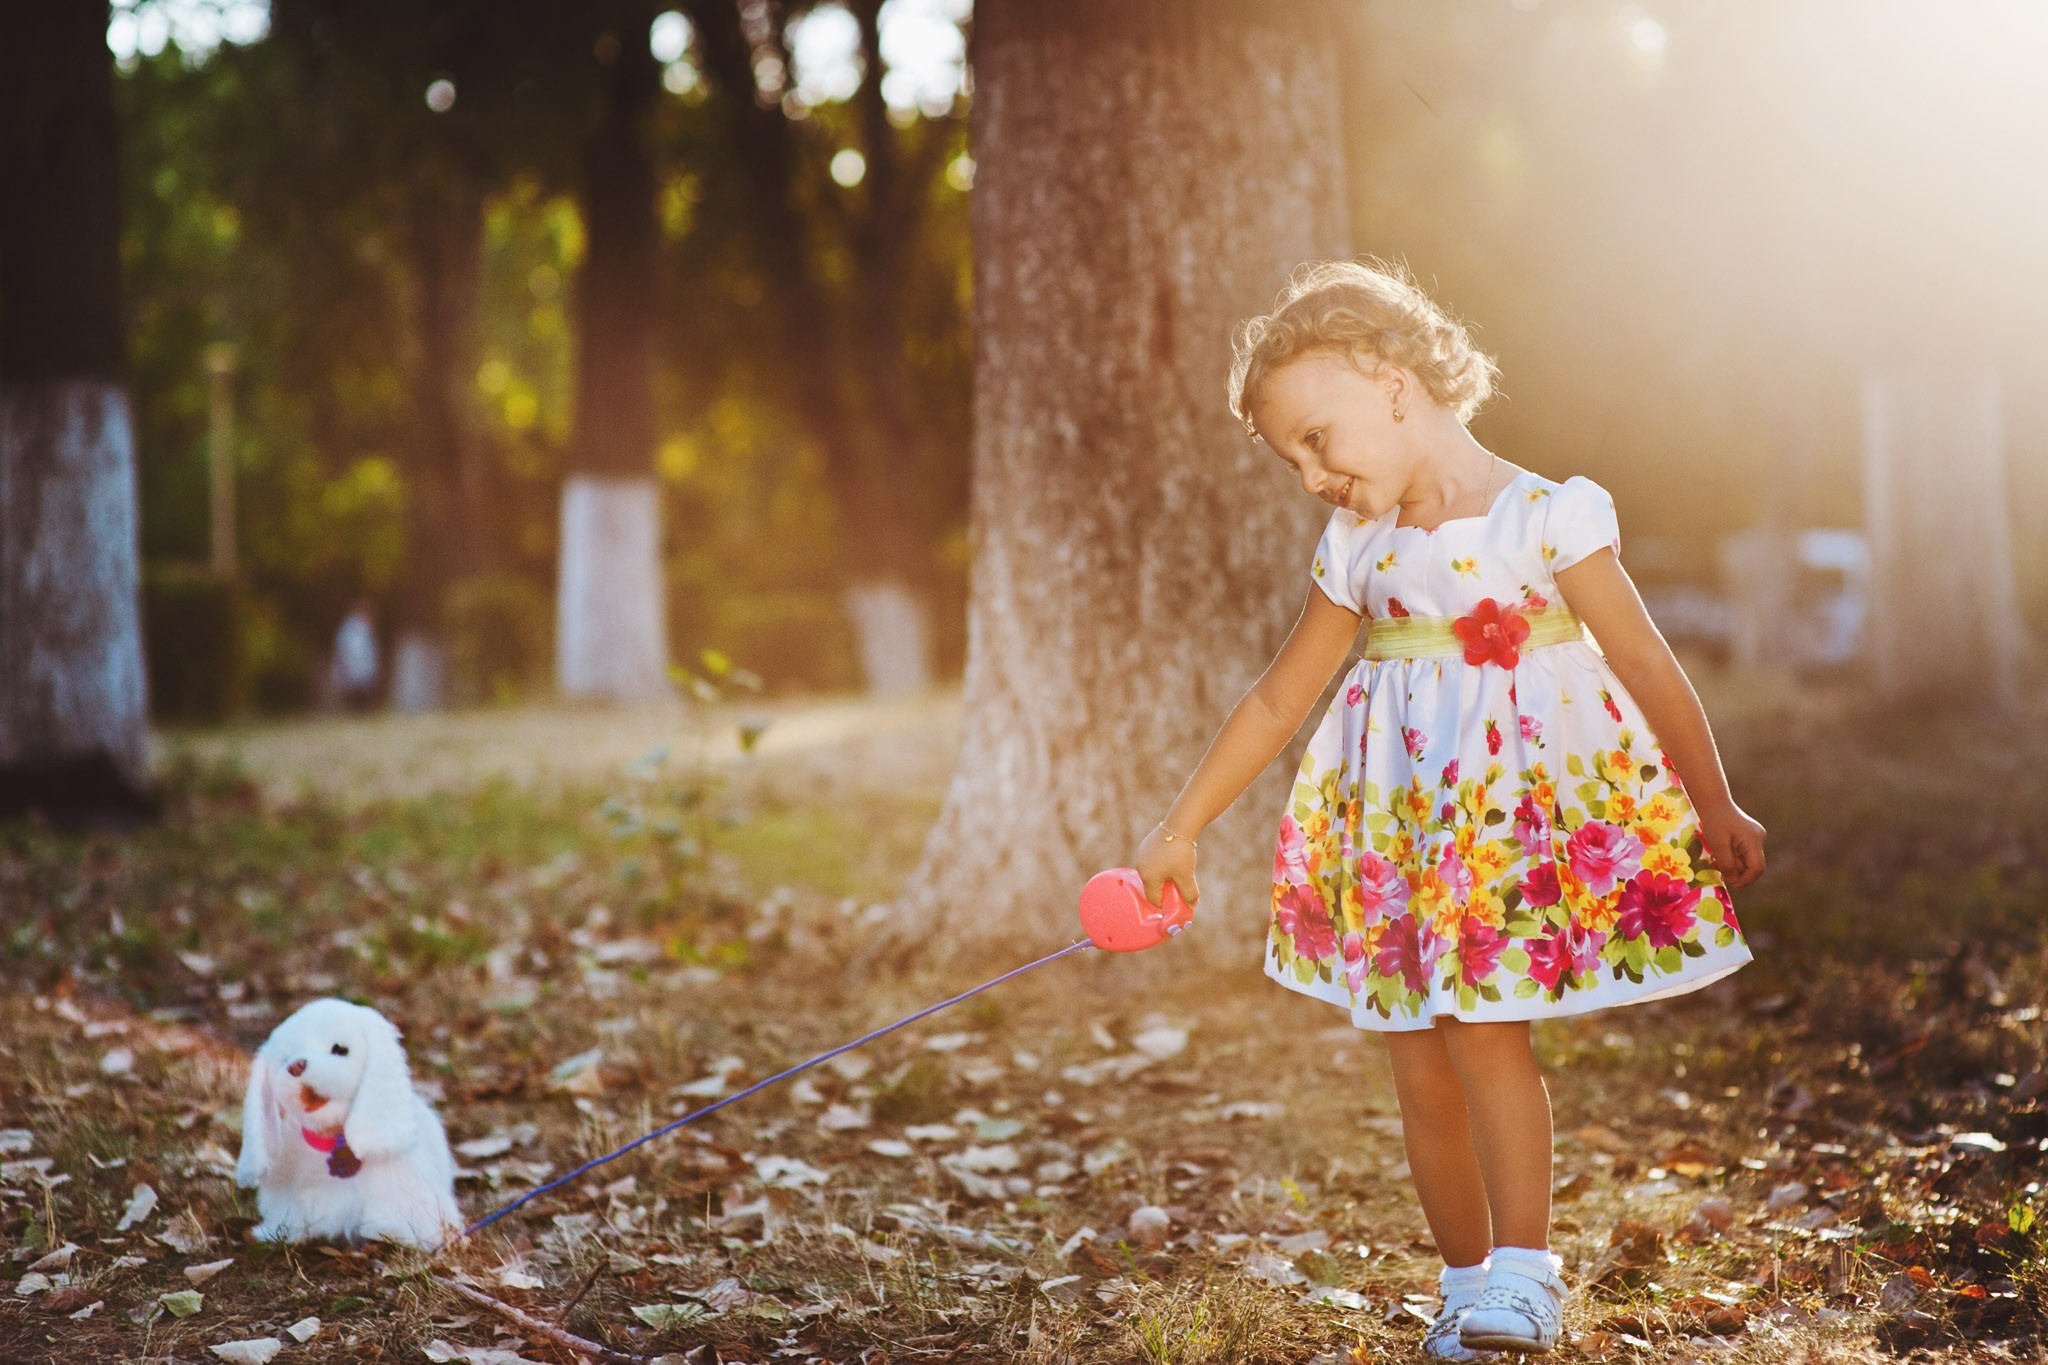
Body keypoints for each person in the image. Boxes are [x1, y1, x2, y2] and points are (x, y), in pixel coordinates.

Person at [1132, 259, 1766, 1358]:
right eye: (1290, 459)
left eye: (1315, 440)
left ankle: (1526, 1275)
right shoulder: (1356, 549)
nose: (1308, 475)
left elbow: (1642, 659)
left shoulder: (1545, 516)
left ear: (1389, 382)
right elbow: (1280, 695)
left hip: (1501, 830)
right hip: (1394, 836)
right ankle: (1464, 1286)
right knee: (1412, 1058)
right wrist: (1179, 826)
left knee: (1482, 1034)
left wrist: (1711, 799)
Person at [331, 598, 381, 713]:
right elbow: (342, 650)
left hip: (363, 672)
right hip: (353, 671)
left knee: (363, 699)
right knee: (353, 699)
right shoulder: (349, 629)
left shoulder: (366, 628)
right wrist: (344, 668)